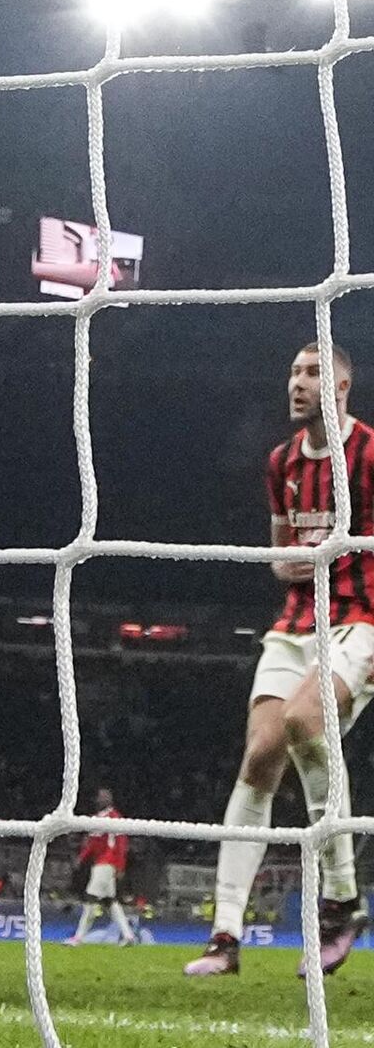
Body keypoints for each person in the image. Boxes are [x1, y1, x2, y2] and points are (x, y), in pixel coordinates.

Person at [187, 341, 374, 979]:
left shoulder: (369, 453)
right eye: (294, 371)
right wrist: (287, 561)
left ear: (342, 386)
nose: (298, 382)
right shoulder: (282, 461)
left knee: (302, 721)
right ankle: (225, 936)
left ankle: (342, 900)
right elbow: (278, 553)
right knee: (261, 753)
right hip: (295, 623)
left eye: (314, 372)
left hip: (361, 619)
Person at [65, 786, 135, 946]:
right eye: (101, 796)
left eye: (106, 796)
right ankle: (128, 936)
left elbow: (121, 843)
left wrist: (120, 866)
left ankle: (78, 938)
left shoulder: (114, 817)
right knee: (110, 901)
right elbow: (91, 844)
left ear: (111, 799)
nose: (103, 799)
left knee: (90, 898)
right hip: (99, 863)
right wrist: (81, 858)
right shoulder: (96, 819)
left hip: (107, 863)